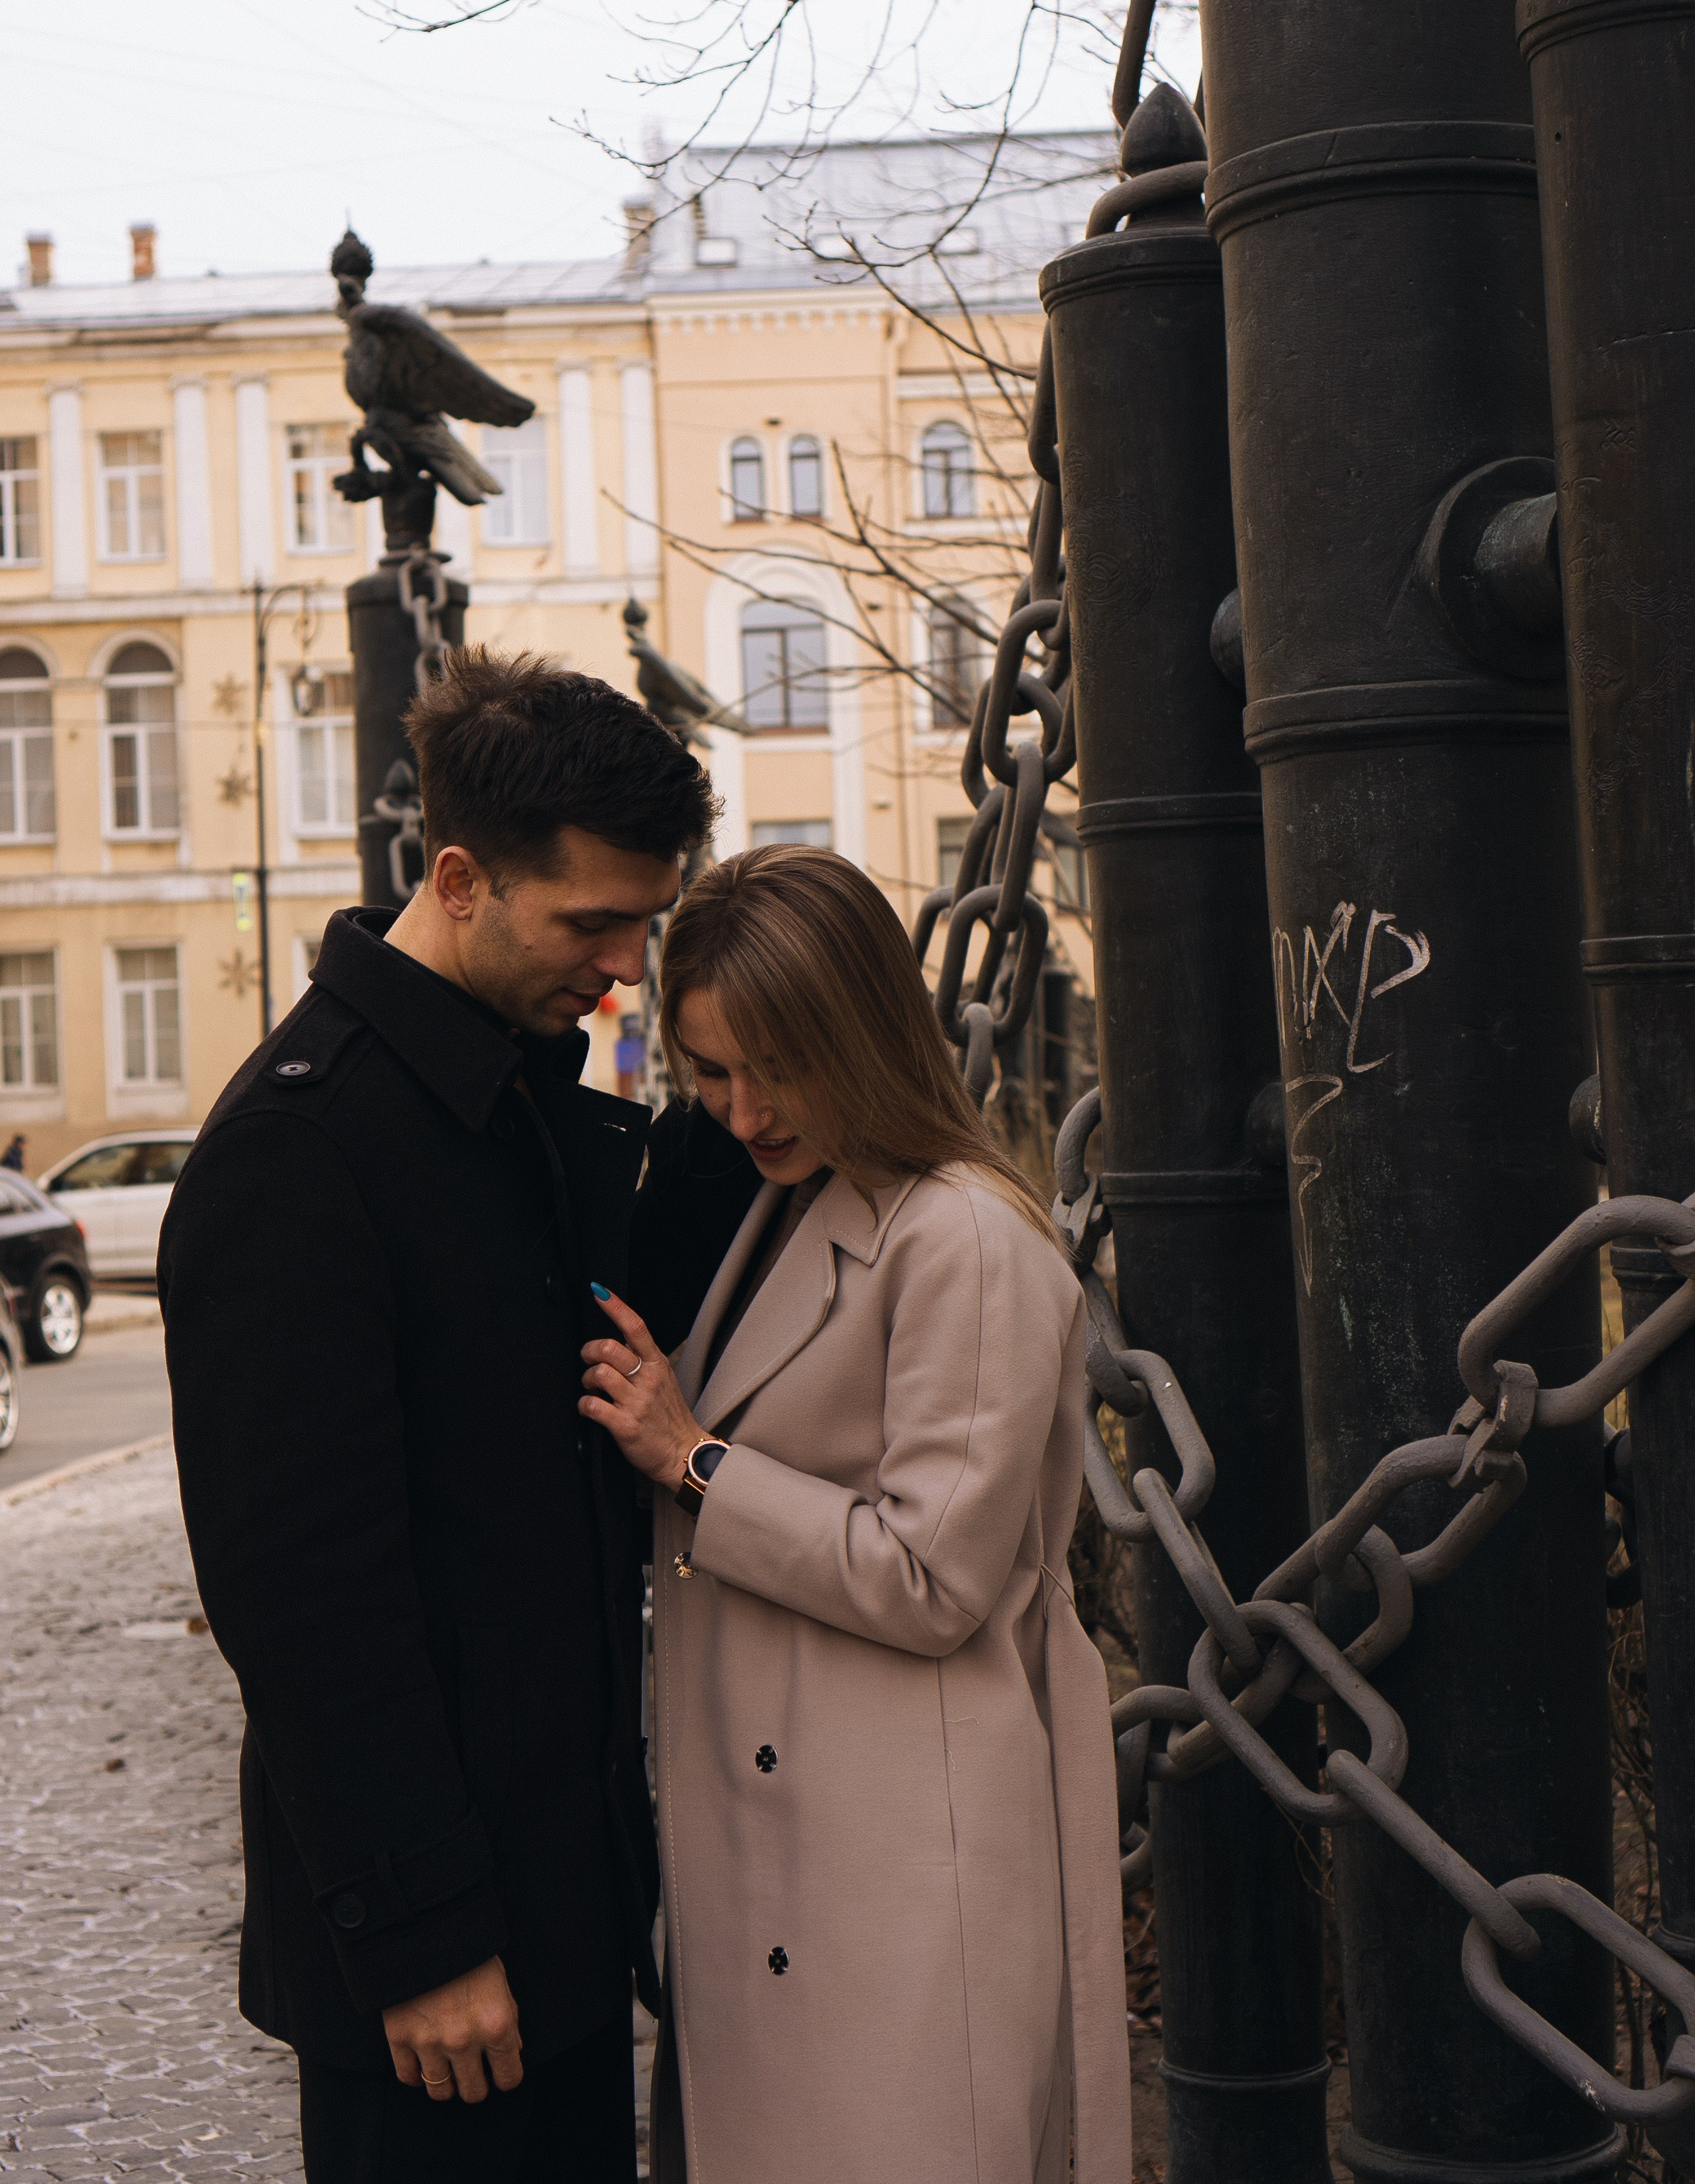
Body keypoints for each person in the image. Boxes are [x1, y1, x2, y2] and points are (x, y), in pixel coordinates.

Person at [159, 649, 716, 2184]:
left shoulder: (508, 1097)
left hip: (563, 1898)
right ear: (460, 877)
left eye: (643, 927)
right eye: (589, 922)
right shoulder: (302, 1151)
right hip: (443, 1954)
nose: (618, 967)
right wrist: (420, 1938)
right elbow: (303, 1601)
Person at [581, 846, 1132, 2184]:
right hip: (788, 1847)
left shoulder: (968, 1242)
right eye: (710, 1072)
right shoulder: (801, 1197)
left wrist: (693, 1460)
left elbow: (928, 1577)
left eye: (776, 1065)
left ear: (863, 1034)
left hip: (904, 1865)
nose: (743, 1109)